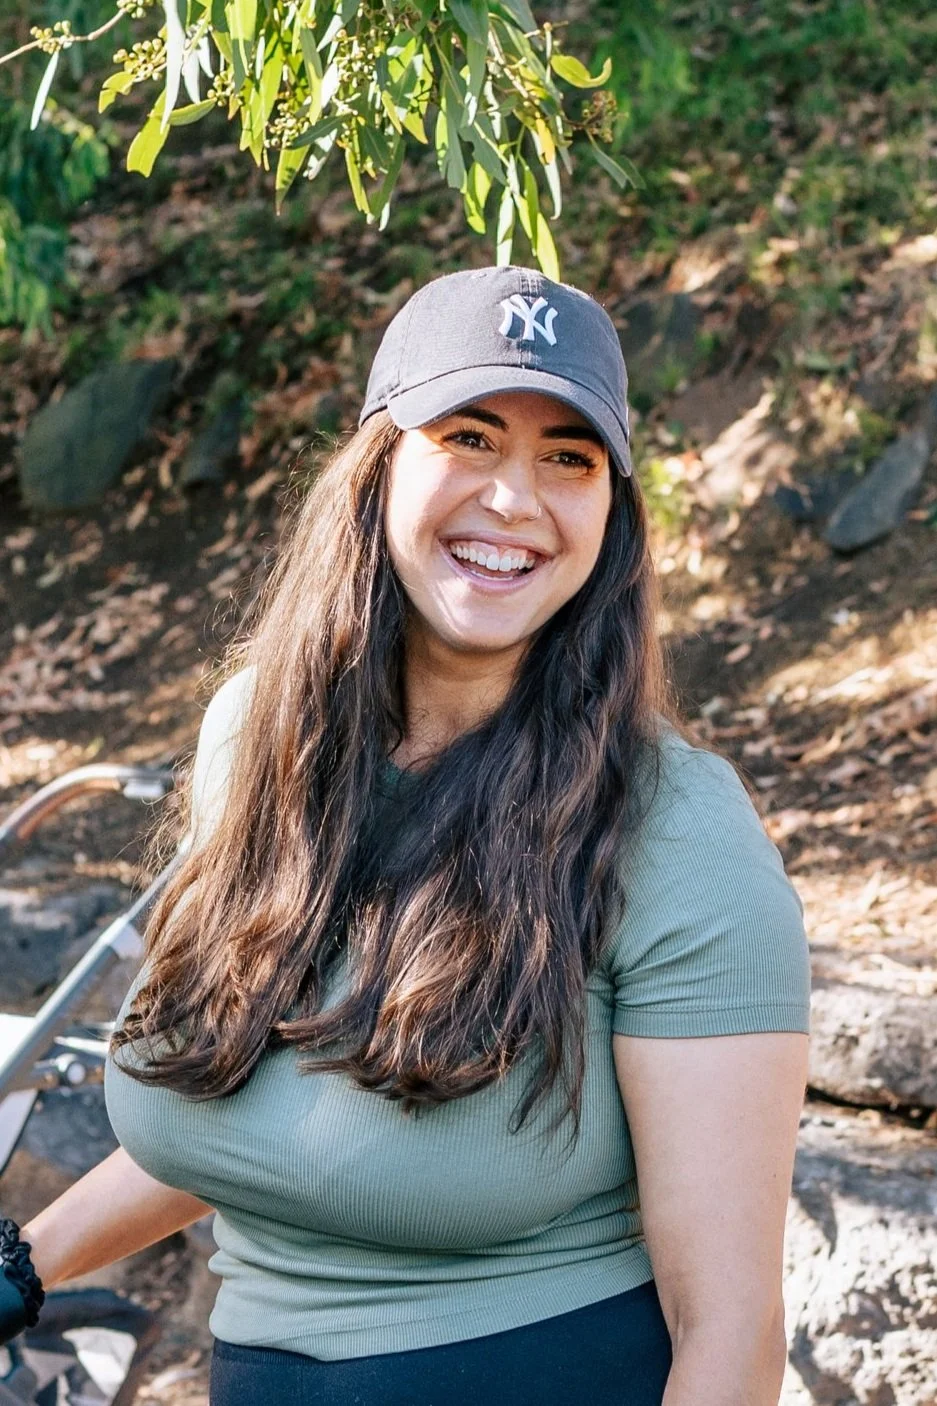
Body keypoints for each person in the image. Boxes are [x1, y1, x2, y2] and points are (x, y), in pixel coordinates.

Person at [1, 265, 811, 1406]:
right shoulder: (259, 737)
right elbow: (268, 1123)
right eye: (468, 437)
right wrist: (20, 1267)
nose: (515, 498)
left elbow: (728, 1325)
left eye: (569, 458)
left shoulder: (674, 831)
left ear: (613, 514)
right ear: (378, 464)